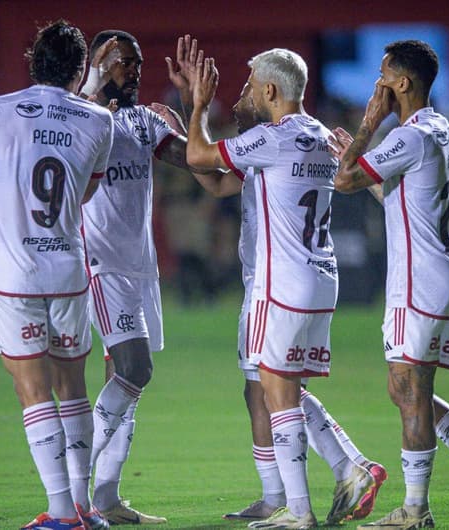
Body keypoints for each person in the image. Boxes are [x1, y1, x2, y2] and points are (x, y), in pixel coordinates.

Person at [157, 35, 387, 524]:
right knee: (271, 386)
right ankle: (344, 468)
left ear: (270, 93)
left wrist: (195, 106)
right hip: (318, 278)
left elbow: (198, 158)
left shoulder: (272, 138)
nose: (242, 91)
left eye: (248, 85)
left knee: (275, 391)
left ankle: (297, 508)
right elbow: (218, 181)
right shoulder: (319, 136)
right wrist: (190, 117)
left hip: (277, 280)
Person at [330, 40, 449, 528]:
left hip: (418, 281)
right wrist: (356, 153)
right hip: (445, 276)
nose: (377, 87)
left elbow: (344, 180)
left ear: (403, 83)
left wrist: (367, 123)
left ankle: (416, 511)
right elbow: (392, 196)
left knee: (408, 388)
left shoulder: (408, 135)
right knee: (407, 388)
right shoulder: (439, 129)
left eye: (383, 78)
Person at [0, 20, 113, 530]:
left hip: (14, 274)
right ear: (80, 69)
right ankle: (84, 504)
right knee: (73, 386)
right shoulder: (98, 120)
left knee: (32, 387)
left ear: (32, 62)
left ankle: (62, 512)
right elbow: (84, 193)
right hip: (66, 267)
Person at [76, 29, 224, 526]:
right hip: (100, 264)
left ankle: (107, 499)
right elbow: (74, 117)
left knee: (126, 385)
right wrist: (92, 83)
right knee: (134, 370)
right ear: (96, 64)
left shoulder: (143, 121)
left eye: (138, 62)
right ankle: (70, 490)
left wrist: (194, 106)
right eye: (122, 62)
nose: (134, 70)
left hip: (139, 267)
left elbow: (197, 162)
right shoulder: (79, 116)